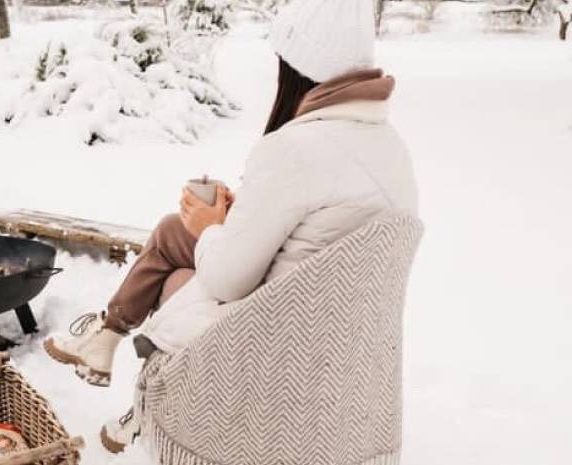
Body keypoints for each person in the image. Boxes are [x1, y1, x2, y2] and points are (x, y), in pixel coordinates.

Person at [44, 0, 419, 454]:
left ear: (296, 69)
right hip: (335, 335)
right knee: (172, 230)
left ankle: (142, 395)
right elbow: (320, 238)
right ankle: (107, 335)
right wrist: (238, 218)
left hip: (273, 340)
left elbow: (227, 280)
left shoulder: (295, 147)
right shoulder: (390, 145)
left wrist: (211, 224)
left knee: (183, 280)